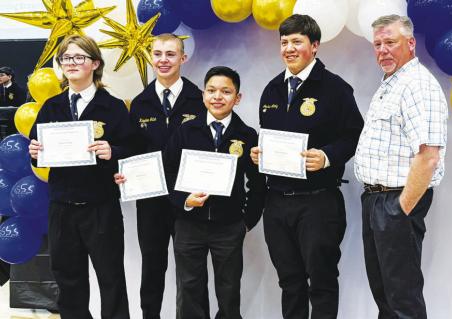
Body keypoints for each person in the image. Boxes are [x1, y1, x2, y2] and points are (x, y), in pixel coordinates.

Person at [250, 14, 364, 318]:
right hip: (276, 204)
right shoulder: (272, 89)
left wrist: (327, 156)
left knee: (322, 282)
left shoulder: (335, 89)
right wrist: (261, 155)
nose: (288, 48)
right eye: (284, 42)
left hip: (318, 203)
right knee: (290, 282)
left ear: (314, 46)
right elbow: (269, 136)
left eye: (296, 41)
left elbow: (354, 136)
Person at [28, 34, 133, 319]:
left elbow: (133, 147)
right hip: (62, 208)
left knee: (111, 279)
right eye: (65, 58)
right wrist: (34, 150)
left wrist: (114, 151)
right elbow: (36, 149)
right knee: (68, 280)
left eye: (79, 57)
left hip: (101, 208)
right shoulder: (51, 106)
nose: (71, 63)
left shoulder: (112, 107)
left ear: (95, 63)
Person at [354, 15, 448, 319]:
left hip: (394, 203)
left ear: (410, 43)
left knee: (402, 300)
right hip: (376, 200)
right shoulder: (392, 83)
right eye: (377, 44)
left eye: (390, 42)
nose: (382, 50)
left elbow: (429, 156)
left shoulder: (417, 85)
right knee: (385, 295)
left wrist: (400, 209)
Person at [114, 33, 206, 319]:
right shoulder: (140, 103)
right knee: (152, 267)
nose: (163, 60)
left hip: (188, 200)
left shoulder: (199, 99)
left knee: (191, 270)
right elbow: (132, 147)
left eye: (170, 54)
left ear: (183, 57)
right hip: (151, 201)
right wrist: (123, 172)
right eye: (157, 54)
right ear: (150, 58)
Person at [163, 66, 266, 319]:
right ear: (203, 95)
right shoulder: (186, 132)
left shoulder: (247, 135)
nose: (217, 97)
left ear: (237, 97)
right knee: (189, 290)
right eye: (211, 91)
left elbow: (258, 184)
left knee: (229, 291)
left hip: (229, 226)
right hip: (188, 225)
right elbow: (166, 174)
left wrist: (246, 221)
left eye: (226, 91)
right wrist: (183, 201)